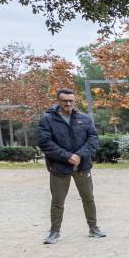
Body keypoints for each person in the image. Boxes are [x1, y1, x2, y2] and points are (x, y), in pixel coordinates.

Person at [36, 87, 104, 244]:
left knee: (88, 198)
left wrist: (80, 155)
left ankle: (93, 228)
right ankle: (54, 232)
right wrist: (68, 157)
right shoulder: (47, 119)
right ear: (58, 101)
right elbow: (44, 142)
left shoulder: (85, 118)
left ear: (75, 101)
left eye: (71, 100)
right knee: (57, 201)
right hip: (59, 168)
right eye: (64, 100)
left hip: (82, 166)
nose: (68, 103)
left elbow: (93, 138)